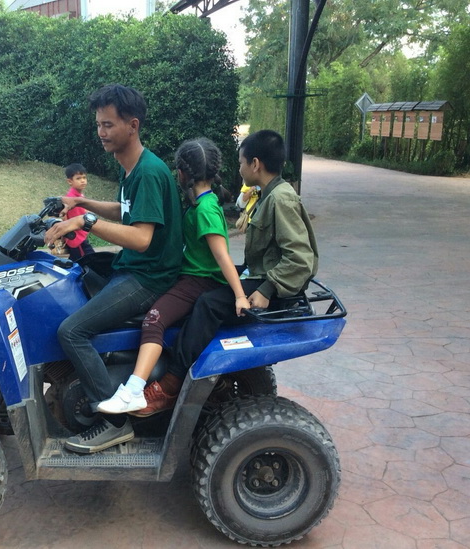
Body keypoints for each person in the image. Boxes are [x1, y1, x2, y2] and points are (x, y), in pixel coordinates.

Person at [137, 129, 319, 416]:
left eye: (241, 162)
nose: (239, 168)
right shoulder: (266, 194)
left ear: (255, 164)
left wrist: (265, 290)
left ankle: (171, 383)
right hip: (259, 274)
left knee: (207, 304)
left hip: (271, 284)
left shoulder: (281, 199)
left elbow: (301, 258)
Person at [43, 84, 183, 454]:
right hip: (134, 269)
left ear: (132, 125)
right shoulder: (132, 168)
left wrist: (83, 221)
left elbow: (142, 238)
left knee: (72, 331)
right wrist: (81, 202)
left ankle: (114, 422)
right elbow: (127, 211)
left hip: (148, 277)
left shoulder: (148, 172)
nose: (101, 132)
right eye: (98, 125)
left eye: (108, 125)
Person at [96, 137, 250, 415]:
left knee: (153, 320)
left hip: (198, 281)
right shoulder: (201, 203)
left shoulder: (205, 210)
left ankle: (133, 391)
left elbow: (222, 256)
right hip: (188, 276)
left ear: (181, 173)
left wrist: (240, 295)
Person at [61, 163, 95, 261]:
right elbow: (64, 217)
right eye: (78, 178)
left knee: (77, 261)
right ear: (70, 181)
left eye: (84, 177)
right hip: (76, 238)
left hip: (81, 236)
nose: (83, 181)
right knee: (89, 260)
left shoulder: (80, 196)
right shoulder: (70, 199)